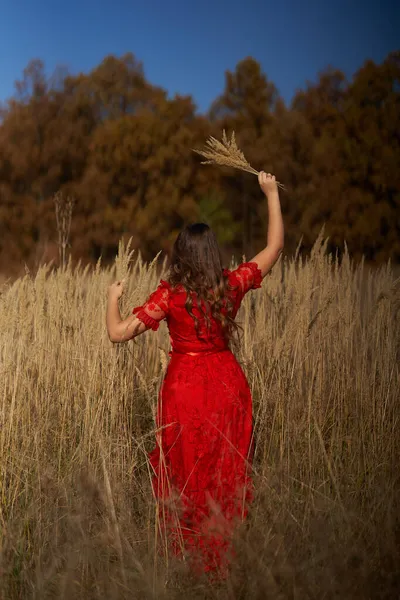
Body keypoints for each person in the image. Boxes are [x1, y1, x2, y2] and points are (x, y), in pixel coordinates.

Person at [106, 172, 284, 579]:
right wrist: (271, 194)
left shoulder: (169, 295)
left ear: (180, 255)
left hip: (184, 387)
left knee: (185, 473)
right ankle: (225, 560)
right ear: (212, 253)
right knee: (226, 471)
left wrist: (113, 299)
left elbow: (117, 334)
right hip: (226, 384)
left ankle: (188, 564)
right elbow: (274, 247)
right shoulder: (229, 286)